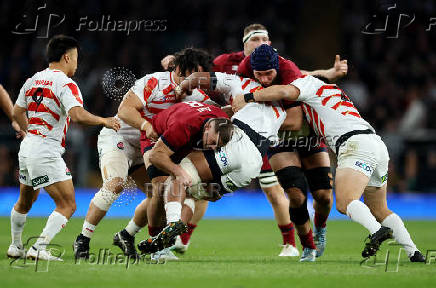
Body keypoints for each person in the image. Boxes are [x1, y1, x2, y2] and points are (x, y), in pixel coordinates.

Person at [231, 75, 426, 262]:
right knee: (380, 208)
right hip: (375, 144)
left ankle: (376, 231)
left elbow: (284, 92)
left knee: (344, 202)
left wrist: (248, 98)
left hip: (354, 144)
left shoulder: (310, 85)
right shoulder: (333, 96)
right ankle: (414, 252)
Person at [8, 35, 120, 261]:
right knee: (67, 204)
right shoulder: (66, 83)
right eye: (76, 58)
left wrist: (30, 132)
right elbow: (77, 115)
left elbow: (17, 113)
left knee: (25, 201)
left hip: (28, 148)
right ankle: (38, 248)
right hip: (46, 150)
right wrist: (104, 120)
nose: (77, 64)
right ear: (67, 57)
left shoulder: (32, 80)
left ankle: (15, 245)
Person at [108, 48, 222, 260]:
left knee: (171, 192)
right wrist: (144, 124)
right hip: (149, 139)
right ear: (177, 69)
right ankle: (157, 248)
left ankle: (127, 234)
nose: (192, 83)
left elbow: (219, 112)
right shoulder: (153, 82)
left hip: (179, 143)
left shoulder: (199, 92)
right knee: (160, 189)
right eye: (188, 76)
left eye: (197, 78)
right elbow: (124, 110)